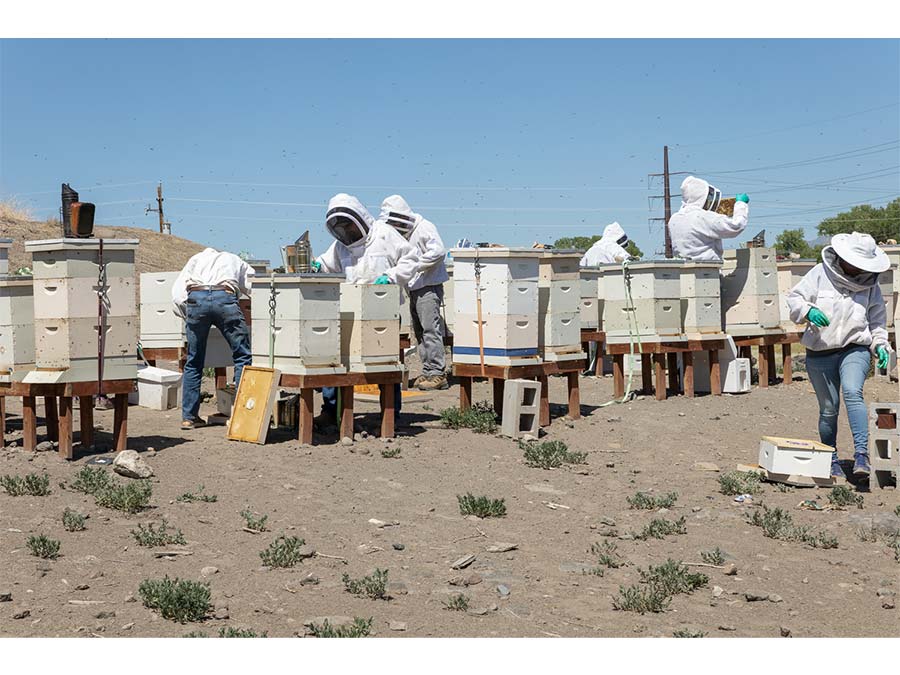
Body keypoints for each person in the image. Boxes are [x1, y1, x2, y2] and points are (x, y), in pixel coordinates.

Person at [786, 232, 891, 478]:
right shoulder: (819, 274)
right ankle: (830, 458)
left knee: (853, 392)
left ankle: (862, 456)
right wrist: (807, 311)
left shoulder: (871, 286)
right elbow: (794, 298)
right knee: (829, 409)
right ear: (842, 257)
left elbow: (877, 322)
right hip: (820, 350)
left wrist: (881, 345)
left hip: (855, 347)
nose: (856, 268)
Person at [314, 193, 416, 427]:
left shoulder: (384, 234)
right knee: (336, 362)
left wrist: (390, 277)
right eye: (341, 227)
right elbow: (329, 264)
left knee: (386, 364)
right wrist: (317, 265)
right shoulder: (341, 245)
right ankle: (331, 410)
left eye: (348, 224)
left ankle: (391, 413)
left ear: (360, 217)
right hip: (349, 313)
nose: (347, 231)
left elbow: (411, 259)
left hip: (384, 312)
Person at [172, 248, 254, 430]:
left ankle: (189, 418)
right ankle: (241, 414)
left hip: (196, 298)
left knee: (194, 361)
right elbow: (253, 285)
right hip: (224, 296)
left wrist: (191, 315)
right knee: (242, 356)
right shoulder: (233, 258)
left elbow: (177, 295)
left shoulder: (195, 258)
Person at [380, 195, 450, 390]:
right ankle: (428, 371)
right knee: (419, 331)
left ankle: (437, 373)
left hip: (428, 286)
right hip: (415, 287)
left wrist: (415, 266)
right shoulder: (405, 233)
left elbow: (438, 252)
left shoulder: (424, 226)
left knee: (430, 329)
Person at [668, 175, 750, 262]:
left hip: (682, 270)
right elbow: (736, 226)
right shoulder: (703, 217)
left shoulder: (674, 219)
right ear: (701, 196)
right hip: (708, 269)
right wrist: (741, 204)